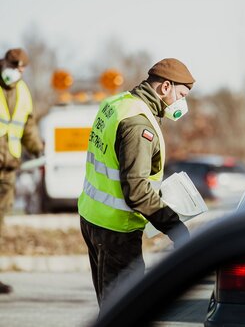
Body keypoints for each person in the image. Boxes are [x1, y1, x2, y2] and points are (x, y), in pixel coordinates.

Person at [78, 58, 195, 307]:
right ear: (165, 87)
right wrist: (175, 227)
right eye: (182, 95)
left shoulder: (118, 103)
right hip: (116, 230)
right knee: (123, 312)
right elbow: (136, 190)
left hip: (93, 217)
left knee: (111, 308)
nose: (182, 103)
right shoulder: (139, 125)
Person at [0, 48, 44, 294]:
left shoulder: (23, 92)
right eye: (12, 66)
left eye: (20, 69)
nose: (16, 72)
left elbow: (27, 125)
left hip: (7, 170)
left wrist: (37, 148)